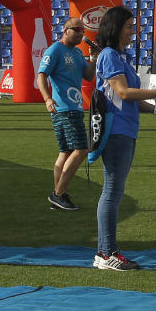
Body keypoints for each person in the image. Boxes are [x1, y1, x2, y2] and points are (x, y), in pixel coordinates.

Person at [92, 6, 156, 271]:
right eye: (129, 27)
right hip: (116, 130)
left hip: (126, 129)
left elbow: (129, 99)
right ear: (116, 28)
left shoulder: (119, 56)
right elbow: (123, 93)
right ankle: (107, 252)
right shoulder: (110, 56)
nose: (134, 31)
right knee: (112, 191)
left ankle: (104, 252)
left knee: (114, 191)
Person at [37, 17, 96, 211]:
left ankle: (58, 197)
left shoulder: (77, 52)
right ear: (65, 30)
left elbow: (88, 76)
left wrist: (93, 58)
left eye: (82, 30)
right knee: (81, 150)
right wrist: (47, 98)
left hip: (73, 107)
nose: (81, 33)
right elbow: (41, 75)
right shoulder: (55, 50)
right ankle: (58, 194)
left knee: (66, 152)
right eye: (76, 29)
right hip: (64, 107)